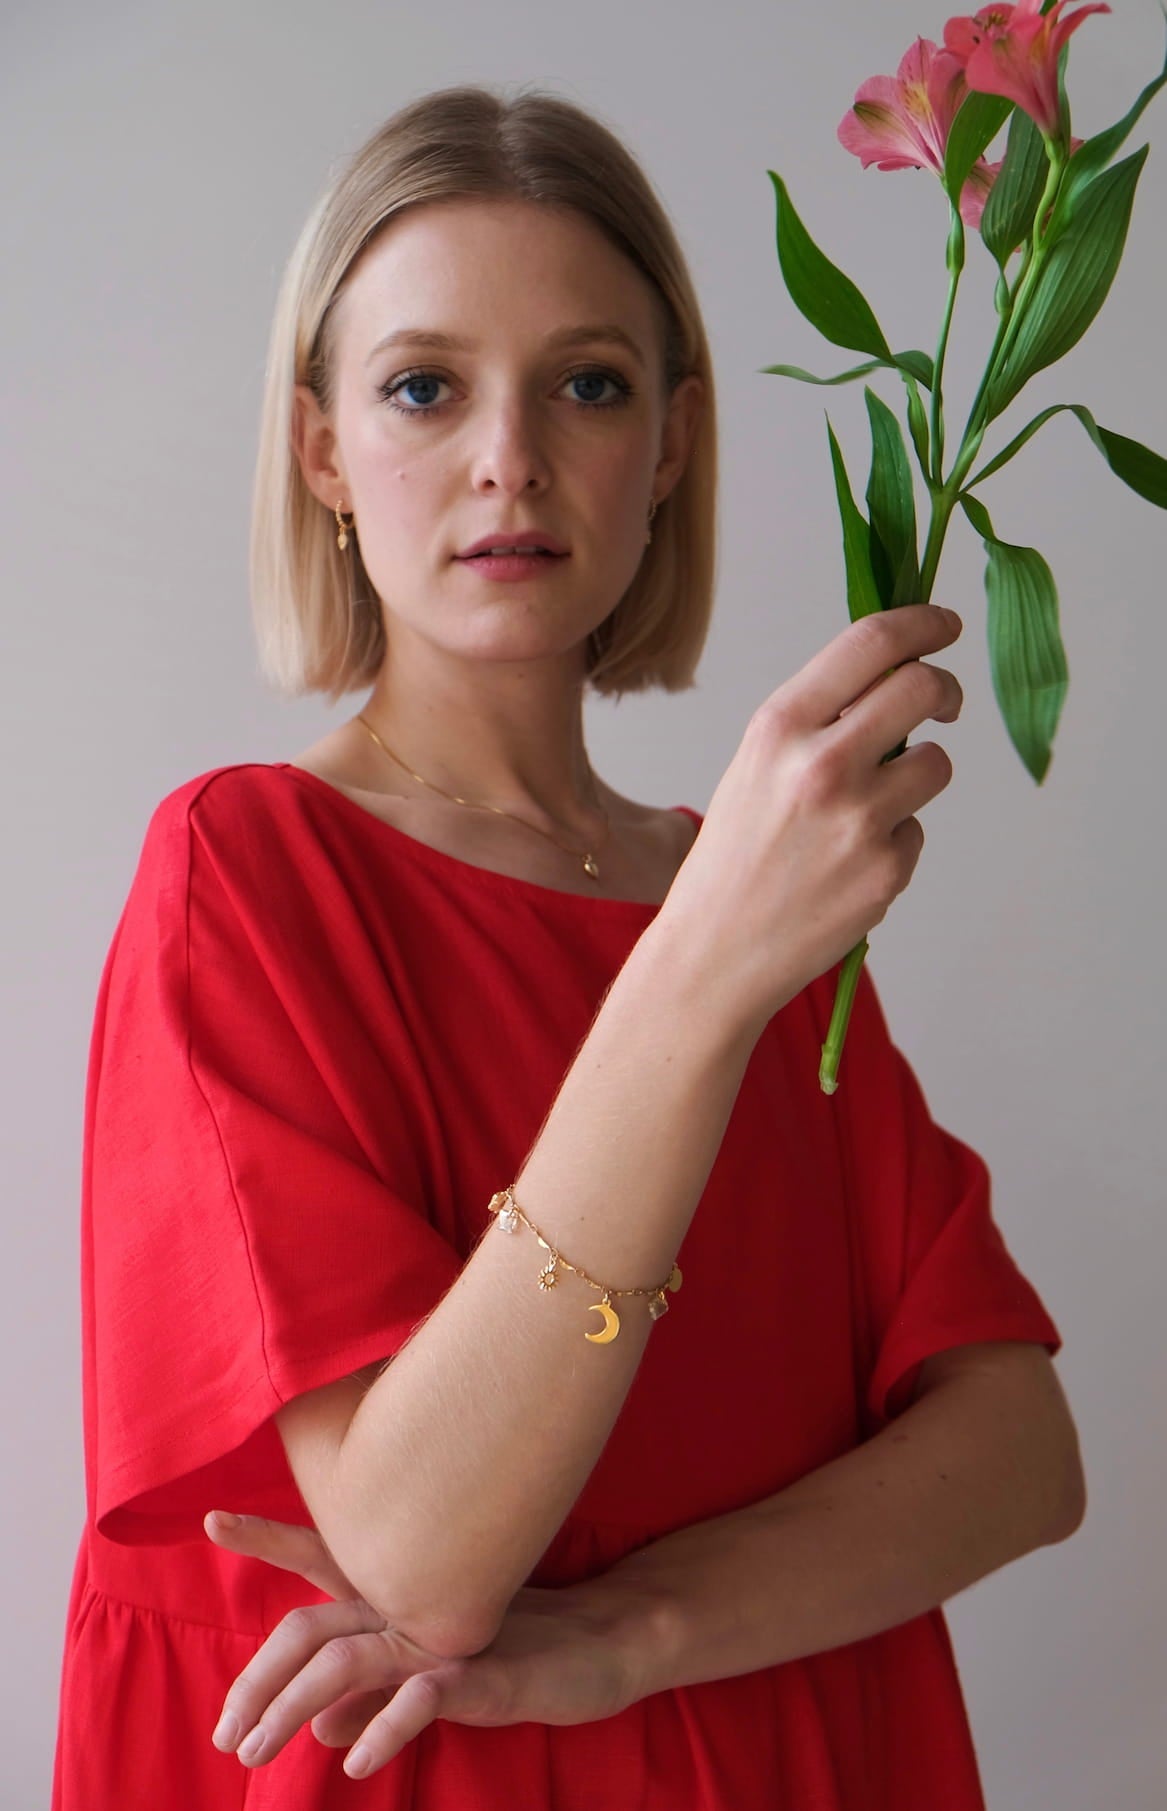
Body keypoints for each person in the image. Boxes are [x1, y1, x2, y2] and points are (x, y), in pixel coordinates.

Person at [51, 82, 1085, 1811]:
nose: (508, 456)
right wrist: (703, 965)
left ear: (670, 443)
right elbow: (418, 1554)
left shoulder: (748, 880)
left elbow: (1018, 1455)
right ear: (321, 450)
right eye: (422, 387)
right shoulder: (251, 875)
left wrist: (630, 1634)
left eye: (588, 385)